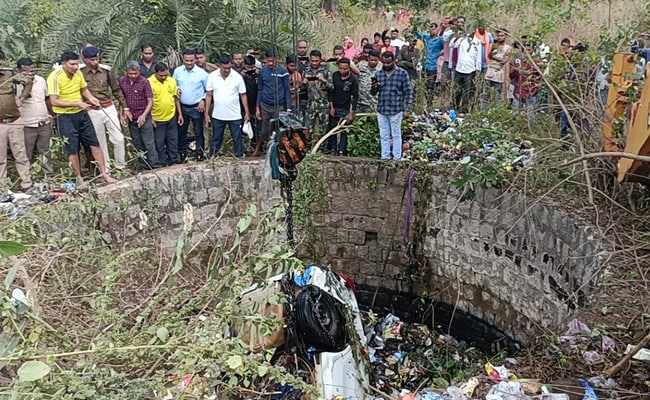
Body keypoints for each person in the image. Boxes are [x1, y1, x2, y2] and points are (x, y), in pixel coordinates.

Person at [47, 51, 116, 185]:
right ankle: (79, 179)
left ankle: (104, 174)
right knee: (72, 149)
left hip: (81, 114)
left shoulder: (78, 73)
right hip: (65, 116)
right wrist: (77, 103)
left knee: (94, 143)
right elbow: (54, 101)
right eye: (72, 64)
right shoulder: (55, 77)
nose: (75, 67)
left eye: (76, 64)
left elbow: (84, 89)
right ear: (63, 64)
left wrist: (91, 98)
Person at [80, 46, 129, 173]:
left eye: (96, 59)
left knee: (118, 138)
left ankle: (121, 166)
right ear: (84, 59)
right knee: (100, 141)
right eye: (91, 60)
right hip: (92, 110)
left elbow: (116, 90)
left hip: (108, 107)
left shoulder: (106, 71)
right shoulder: (79, 73)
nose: (95, 62)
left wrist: (125, 107)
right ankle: (105, 170)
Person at [0, 51, 34, 192]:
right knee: (0, 159)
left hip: (14, 121)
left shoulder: (10, 74)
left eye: (1, 63)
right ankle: (3, 188)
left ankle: (26, 184)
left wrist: (22, 99)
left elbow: (28, 82)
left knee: (20, 155)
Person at [204, 54, 249, 158]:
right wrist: (206, 114)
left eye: (228, 68)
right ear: (220, 66)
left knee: (237, 137)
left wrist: (246, 113)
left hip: (234, 114)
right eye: (224, 68)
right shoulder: (212, 76)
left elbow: (243, 95)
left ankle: (239, 156)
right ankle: (213, 157)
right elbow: (209, 95)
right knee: (216, 137)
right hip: (218, 115)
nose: (226, 70)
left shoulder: (237, 77)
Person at [371, 51, 413, 160]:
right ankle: (385, 157)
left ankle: (396, 157)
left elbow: (408, 92)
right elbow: (373, 93)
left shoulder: (402, 73)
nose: (386, 65)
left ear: (393, 61)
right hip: (382, 109)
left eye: (388, 63)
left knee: (396, 135)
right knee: (384, 135)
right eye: (384, 62)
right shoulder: (378, 74)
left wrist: (407, 108)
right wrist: (375, 87)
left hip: (396, 109)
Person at [119, 60, 161, 169]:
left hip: (145, 117)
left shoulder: (144, 82)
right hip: (132, 118)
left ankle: (155, 166)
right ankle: (144, 166)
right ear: (126, 72)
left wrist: (144, 115)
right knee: (137, 143)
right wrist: (122, 114)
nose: (133, 76)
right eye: (130, 74)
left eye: (135, 73)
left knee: (149, 143)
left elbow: (150, 101)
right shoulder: (123, 81)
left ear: (139, 71)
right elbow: (122, 99)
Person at [16, 57, 54, 179]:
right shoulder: (15, 84)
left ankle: (49, 176)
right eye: (26, 71)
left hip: (44, 122)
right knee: (26, 153)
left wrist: (51, 115)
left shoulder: (41, 80)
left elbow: (47, 98)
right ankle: (27, 178)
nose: (30, 73)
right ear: (19, 70)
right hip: (26, 124)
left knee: (45, 151)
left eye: (32, 70)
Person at [173, 49, 209, 162]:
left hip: (196, 107)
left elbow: (208, 90)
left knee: (198, 131)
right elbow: (173, 86)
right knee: (182, 131)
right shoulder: (178, 71)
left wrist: (203, 100)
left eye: (191, 60)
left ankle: (200, 153)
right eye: (187, 60)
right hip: (182, 106)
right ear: (183, 59)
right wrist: (177, 90)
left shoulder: (202, 74)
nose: (189, 63)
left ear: (195, 60)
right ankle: (183, 153)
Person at [254, 49, 291, 157]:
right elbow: (260, 89)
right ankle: (263, 150)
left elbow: (287, 90)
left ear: (277, 59)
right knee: (264, 130)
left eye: (272, 61)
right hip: (265, 105)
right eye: (268, 61)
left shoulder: (283, 71)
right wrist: (257, 107)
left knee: (278, 129)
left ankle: (278, 152)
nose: (270, 63)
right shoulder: (263, 71)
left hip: (279, 105)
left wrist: (288, 107)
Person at [149, 62, 183, 166]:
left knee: (173, 140)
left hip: (171, 116)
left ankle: (173, 161)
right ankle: (162, 163)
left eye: (165, 75)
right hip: (157, 118)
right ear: (156, 73)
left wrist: (180, 114)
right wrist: (151, 118)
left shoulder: (171, 80)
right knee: (159, 142)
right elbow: (147, 101)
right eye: (161, 75)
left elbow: (176, 98)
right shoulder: (149, 82)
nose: (164, 77)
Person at [326, 58, 359, 155]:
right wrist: (331, 106)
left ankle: (342, 150)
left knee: (344, 130)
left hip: (345, 108)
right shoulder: (335, 75)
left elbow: (355, 97)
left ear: (349, 68)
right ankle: (333, 149)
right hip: (334, 107)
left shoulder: (353, 80)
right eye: (340, 68)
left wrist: (351, 113)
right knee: (332, 128)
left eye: (345, 69)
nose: (342, 71)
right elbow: (330, 92)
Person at [303, 50, 334, 136]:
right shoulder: (306, 71)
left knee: (323, 130)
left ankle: (322, 148)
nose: (314, 63)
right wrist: (303, 83)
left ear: (320, 60)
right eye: (312, 61)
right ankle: (307, 148)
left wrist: (324, 81)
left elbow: (332, 87)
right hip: (310, 105)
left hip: (323, 105)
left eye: (316, 61)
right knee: (307, 130)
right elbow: (301, 88)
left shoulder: (326, 71)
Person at [450, 30, 482, 113]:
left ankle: (464, 110)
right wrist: (457, 37)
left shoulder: (477, 42)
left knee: (468, 91)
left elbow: (478, 58)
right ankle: (454, 108)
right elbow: (452, 45)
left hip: (470, 70)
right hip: (459, 69)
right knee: (456, 90)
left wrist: (478, 70)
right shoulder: (462, 40)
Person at [482, 28, 512, 109]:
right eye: (498, 36)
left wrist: (493, 57)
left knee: (497, 96)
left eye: (502, 36)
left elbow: (504, 61)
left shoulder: (508, 48)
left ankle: (496, 112)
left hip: (499, 74)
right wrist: (493, 56)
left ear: (506, 36)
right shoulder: (493, 45)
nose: (500, 37)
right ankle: (483, 112)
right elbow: (488, 55)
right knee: (485, 96)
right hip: (489, 72)